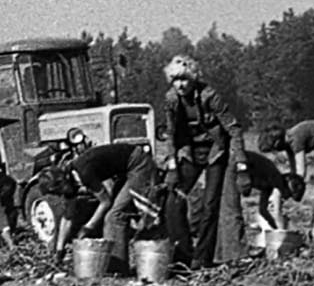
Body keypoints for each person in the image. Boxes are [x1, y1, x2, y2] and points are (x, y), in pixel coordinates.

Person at [162, 55, 247, 269]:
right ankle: (182, 254)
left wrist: (241, 164)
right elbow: (170, 134)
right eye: (175, 80)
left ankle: (202, 258)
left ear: (193, 78)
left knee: (210, 205)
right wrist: (172, 166)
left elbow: (234, 129)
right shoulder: (171, 99)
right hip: (189, 152)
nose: (180, 85)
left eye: (184, 79)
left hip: (215, 151)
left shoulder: (210, 96)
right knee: (173, 200)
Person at [52, 142, 160, 274]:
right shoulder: (69, 180)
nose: (60, 195)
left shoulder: (84, 172)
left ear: (62, 182)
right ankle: (117, 265)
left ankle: (117, 268)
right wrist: (59, 249)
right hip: (125, 170)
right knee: (113, 215)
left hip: (139, 164)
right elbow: (67, 217)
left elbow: (105, 202)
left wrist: (88, 227)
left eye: (58, 191)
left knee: (114, 216)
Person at [241, 150, 293, 232]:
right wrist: (244, 182)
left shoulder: (269, 186)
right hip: (242, 161)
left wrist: (274, 227)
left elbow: (263, 210)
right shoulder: (275, 177)